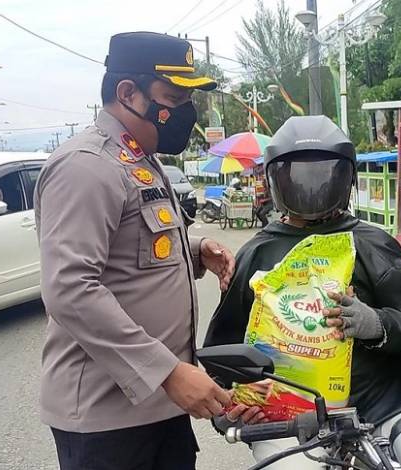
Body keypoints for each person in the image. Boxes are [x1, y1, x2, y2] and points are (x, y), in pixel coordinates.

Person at [34, 32, 234, 470]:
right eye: (174, 97)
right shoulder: (87, 165)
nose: (185, 113)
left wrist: (197, 251)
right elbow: (69, 288)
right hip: (108, 420)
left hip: (158, 405)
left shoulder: (140, 158)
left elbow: (132, 248)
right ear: (128, 93)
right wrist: (167, 370)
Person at [204, 115, 401, 469]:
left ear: (345, 178)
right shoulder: (258, 253)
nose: (310, 187)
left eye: (323, 174)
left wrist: (376, 324)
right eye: (297, 176)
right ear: (274, 179)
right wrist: (228, 407)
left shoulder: (373, 244)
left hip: (388, 406)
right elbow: (223, 352)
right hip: (291, 419)